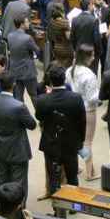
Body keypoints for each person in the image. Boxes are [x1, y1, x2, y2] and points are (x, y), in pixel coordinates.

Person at [35, 64, 86, 194]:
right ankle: (74, 204)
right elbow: (82, 121)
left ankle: (56, 209)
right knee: (72, 176)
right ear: (65, 79)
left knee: (53, 178)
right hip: (70, 143)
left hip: (51, 143)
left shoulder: (42, 100)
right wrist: (80, 141)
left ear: (50, 81)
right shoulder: (76, 98)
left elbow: (39, 117)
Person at [0, 72, 36, 202]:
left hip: (0, 148)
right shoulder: (19, 106)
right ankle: (19, 212)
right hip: (18, 149)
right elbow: (32, 125)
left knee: (2, 182)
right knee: (19, 183)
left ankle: (3, 208)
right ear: (14, 84)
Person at [66, 44, 100, 181]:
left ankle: (75, 166)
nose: (93, 58)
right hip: (87, 109)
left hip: (72, 109)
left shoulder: (69, 70)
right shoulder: (89, 74)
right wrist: (101, 97)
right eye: (92, 55)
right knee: (87, 142)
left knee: (74, 139)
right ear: (86, 56)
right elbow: (92, 97)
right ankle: (89, 172)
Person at [8, 17, 41, 105]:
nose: (29, 23)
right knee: (34, 95)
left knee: (18, 97)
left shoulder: (10, 36)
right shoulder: (28, 38)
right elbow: (37, 51)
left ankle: (20, 116)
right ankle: (40, 116)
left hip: (15, 70)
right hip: (28, 71)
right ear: (22, 24)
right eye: (27, 22)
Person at [70, 0, 102, 73]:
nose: (93, 6)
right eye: (92, 4)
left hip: (79, 52)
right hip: (90, 52)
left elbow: (72, 38)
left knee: (79, 72)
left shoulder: (75, 19)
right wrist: (99, 52)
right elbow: (96, 39)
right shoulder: (94, 20)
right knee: (92, 73)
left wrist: (76, 49)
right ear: (89, 6)